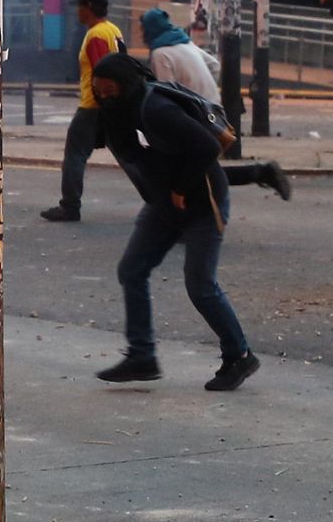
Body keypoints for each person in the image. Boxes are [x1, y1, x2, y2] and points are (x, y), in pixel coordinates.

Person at [89, 53, 260, 391]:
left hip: (201, 202)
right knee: (132, 269)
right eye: (100, 92)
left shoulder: (156, 109)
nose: (106, 98)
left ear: (127, 85)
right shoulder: (120, 114)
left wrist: (181, 189)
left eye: (111, 91)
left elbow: (206, 146)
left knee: (200, 285)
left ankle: (239, 356)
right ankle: (142, 355)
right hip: (162, 205)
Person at [140, 8, 291, 200]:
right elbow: (214, 65)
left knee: (194, 168)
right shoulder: (184, 42)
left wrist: (189, 100)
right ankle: (259, 173)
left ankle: (259, 173)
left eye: (144, 29)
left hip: (193, 115)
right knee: (200, 167)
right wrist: (203, 92)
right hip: (211, 108)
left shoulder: (160, 54)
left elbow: (165, 92)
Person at [42, 0, 124, 222]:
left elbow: (102, 71)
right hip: (111, 105)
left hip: (93, 106)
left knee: (74, 155)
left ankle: (70, 206)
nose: (76, 12)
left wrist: (102, 103)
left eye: (79, 7)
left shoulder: (96, 34)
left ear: (88, 7)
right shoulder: (114, 31)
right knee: (130, 158)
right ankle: (162, 203)